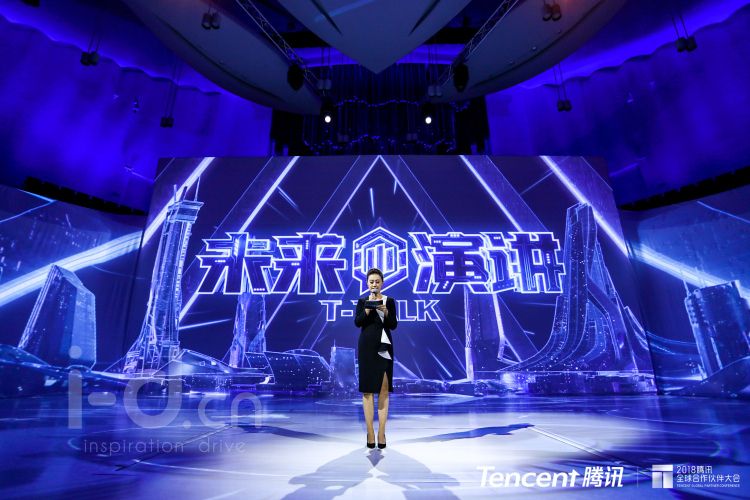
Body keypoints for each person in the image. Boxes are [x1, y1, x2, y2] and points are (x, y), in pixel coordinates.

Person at [354, 267, 397, 449]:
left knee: (383, 389)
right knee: (367, 390)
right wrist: (368, 309)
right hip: (366, 348)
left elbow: (393, 325)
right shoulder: (362, 301)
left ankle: (381, 432)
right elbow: (358, 322)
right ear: (367, 284)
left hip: (384, 347)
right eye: (371, 282)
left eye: (377, 281)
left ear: (382, 283)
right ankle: (370, 432)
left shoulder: (389, 301)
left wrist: (385, 312)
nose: (374, 284)